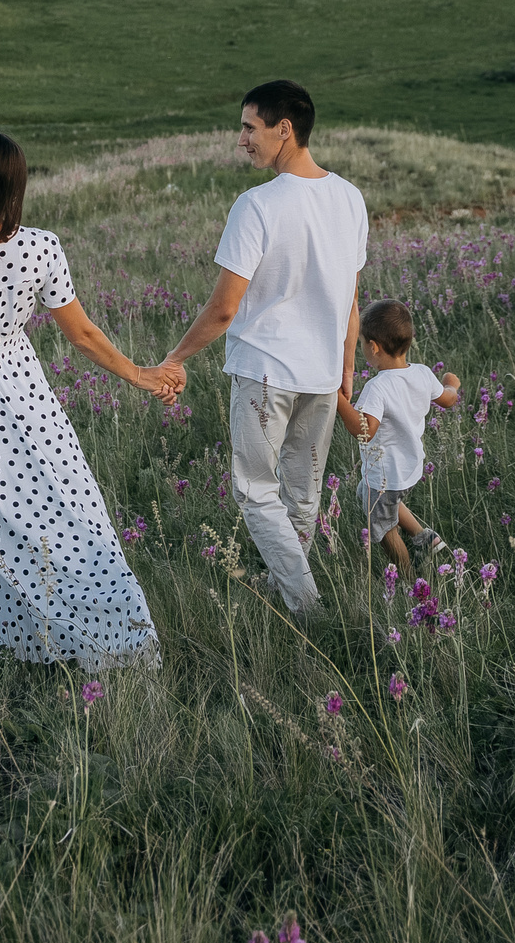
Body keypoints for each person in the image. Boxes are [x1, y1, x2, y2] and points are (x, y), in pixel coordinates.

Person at [0, 131, 175, 668]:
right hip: (23, 390)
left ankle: (0, 646)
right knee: (68, 511)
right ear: (15, 189)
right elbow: (83, 334)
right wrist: (140, 375)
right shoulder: (42, 247)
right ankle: (115, 631)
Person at [152, 80, 367, 618]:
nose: (241, 139)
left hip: (266, 372)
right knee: (302, 495)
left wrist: (175, 358)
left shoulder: (257, 206)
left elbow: (224, 309)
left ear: (284, 129)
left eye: (250, 128)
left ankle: (307, 606)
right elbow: (351, 300)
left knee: (254, 491)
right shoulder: (349, 198)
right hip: (321, 375)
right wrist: (346, 369)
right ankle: (286, 589)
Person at [336, 299, 461, 577]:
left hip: (385, 476)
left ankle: (406, 578)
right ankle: (426, 538)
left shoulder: (378, 387)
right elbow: (448, 400)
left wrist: (337, 398)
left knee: (384, 529)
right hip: (410, 468)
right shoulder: (423, 373)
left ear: (373, 347)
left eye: (362, 342)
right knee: (374, 494)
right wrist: (451, 383)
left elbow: (364, 431)